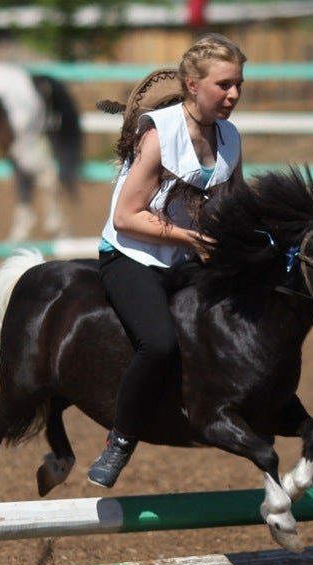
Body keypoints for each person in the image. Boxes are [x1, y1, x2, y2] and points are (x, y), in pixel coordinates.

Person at [88, 33, 247, 488]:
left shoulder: (230, 137)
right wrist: (189, 237)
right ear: (192, 85)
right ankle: (120, 440)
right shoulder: (160, 134)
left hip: (187, 257)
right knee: (157, 344)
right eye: (223, 85)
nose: (233, 95)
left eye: (238, 84)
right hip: (131, 255)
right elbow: (125, 218)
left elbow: (234, 206)